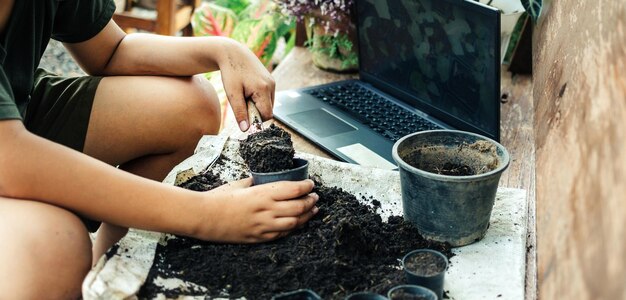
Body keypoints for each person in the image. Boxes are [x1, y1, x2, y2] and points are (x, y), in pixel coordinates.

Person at [0, 0, 319, 298]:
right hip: (9, 148)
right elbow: (12, 160)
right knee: (52, 247)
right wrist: (207, 214)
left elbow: (111, 51)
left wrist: (223, 51)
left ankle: (109, 274)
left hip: (17, 113)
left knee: (192, 105)